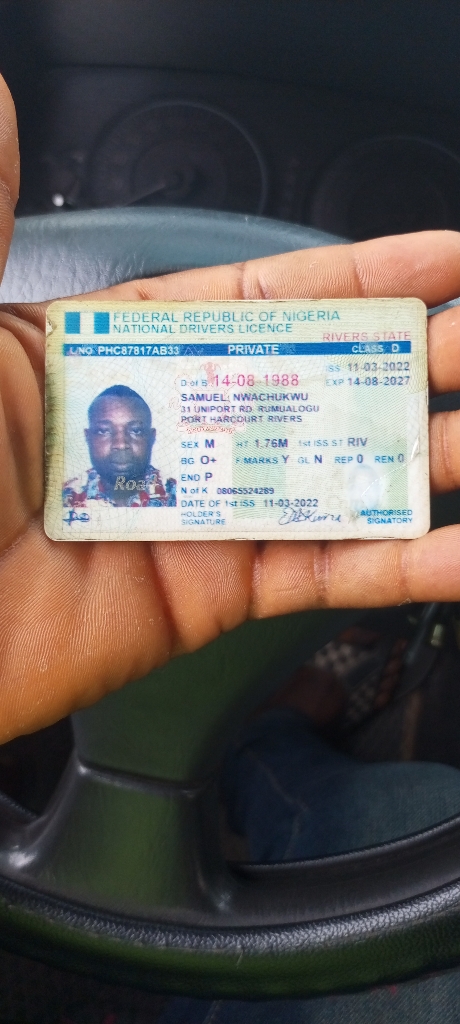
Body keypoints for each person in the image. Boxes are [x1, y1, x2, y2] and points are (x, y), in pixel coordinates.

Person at [1, 67, 460, 1024]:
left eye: (131, 429)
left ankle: (273, 739)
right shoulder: (89, 493)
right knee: (406, 809)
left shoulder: (129, 490)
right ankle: (280, 736)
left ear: (152, 435)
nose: (116, 442)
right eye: (104, 430)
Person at [63, 384, 176, 509]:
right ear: (88, 437)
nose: (121, 444)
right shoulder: (65, 497)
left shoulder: (177, 495)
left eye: (136, 430)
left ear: (151, 437)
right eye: (103, 431)